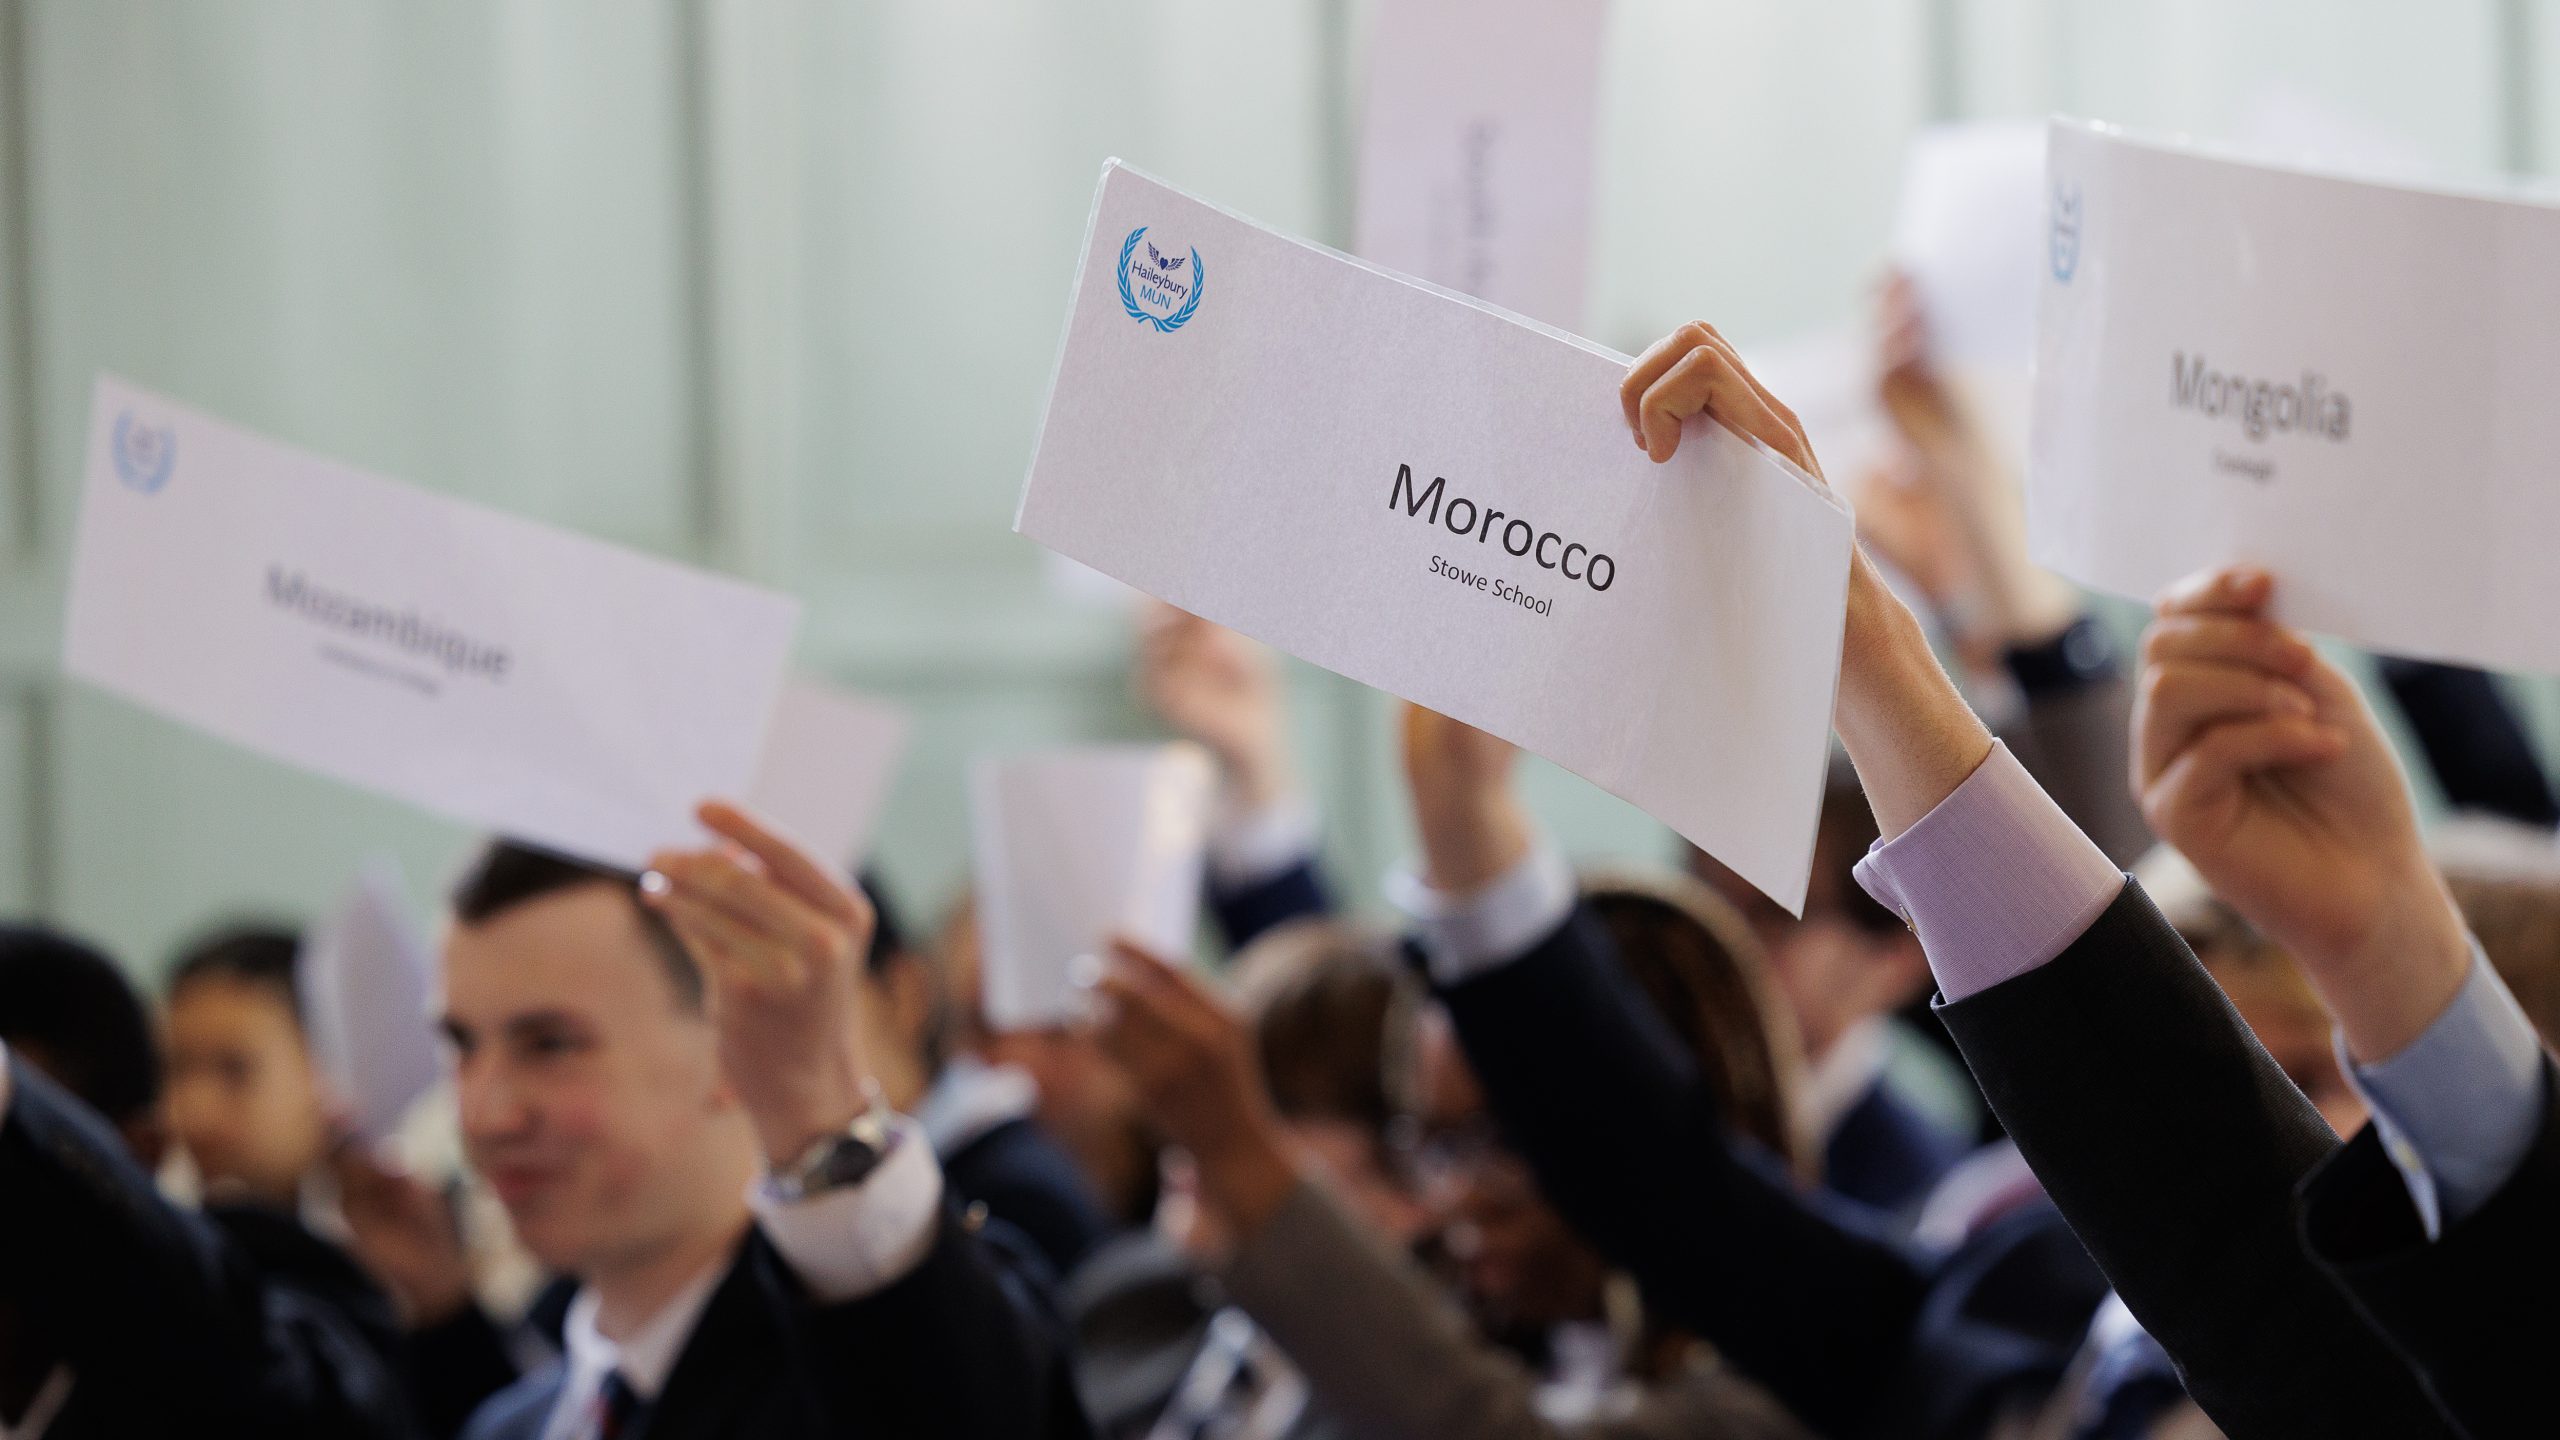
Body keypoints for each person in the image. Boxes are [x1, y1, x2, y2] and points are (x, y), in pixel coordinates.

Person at [1611, 321, 2513, 1436]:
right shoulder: (2010, 1264)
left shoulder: (1939, 1173)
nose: (2297, 1124)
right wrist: (1874, 654)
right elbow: (2171, 1136)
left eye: (2304, 1073)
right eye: (2257, 1064)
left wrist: (1886, 654)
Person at [1090, 878, 1818, 1440]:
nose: (1452, 1198)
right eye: (1436, 1145)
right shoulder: (1509, 1337)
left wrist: (1239, 1149)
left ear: (1657, 1128)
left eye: (1501, 1141)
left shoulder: (1779, 1392)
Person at [444, 803, 1087, 1439]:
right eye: (461, 1044)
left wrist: (820, 1118)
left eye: (551, 1045)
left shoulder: (869, 1387)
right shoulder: (509, 1426)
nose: (486, 1115)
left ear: (730, 1040)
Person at [0, 924, 424, 1440]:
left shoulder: (331, 1282)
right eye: (176, 1067)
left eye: (234, 1069)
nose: (194, 1113)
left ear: (328, 1073)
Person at [853, 869, 1116, 1279]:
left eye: (1054, 1031)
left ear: (905, 993)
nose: (1014, 1062)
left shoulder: (1017, 1192)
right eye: (977, 1026)